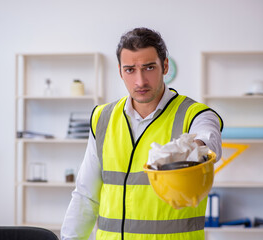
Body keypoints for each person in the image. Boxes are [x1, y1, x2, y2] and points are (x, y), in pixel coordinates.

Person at [61, 27, 223, 240]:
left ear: (164, 66)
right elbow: (85, 195)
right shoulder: (103, 118)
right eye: (130, 70)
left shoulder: (195, 114)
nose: (140, 81)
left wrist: (191, 150)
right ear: (120, 71)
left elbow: (209, 144)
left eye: (148, 68)